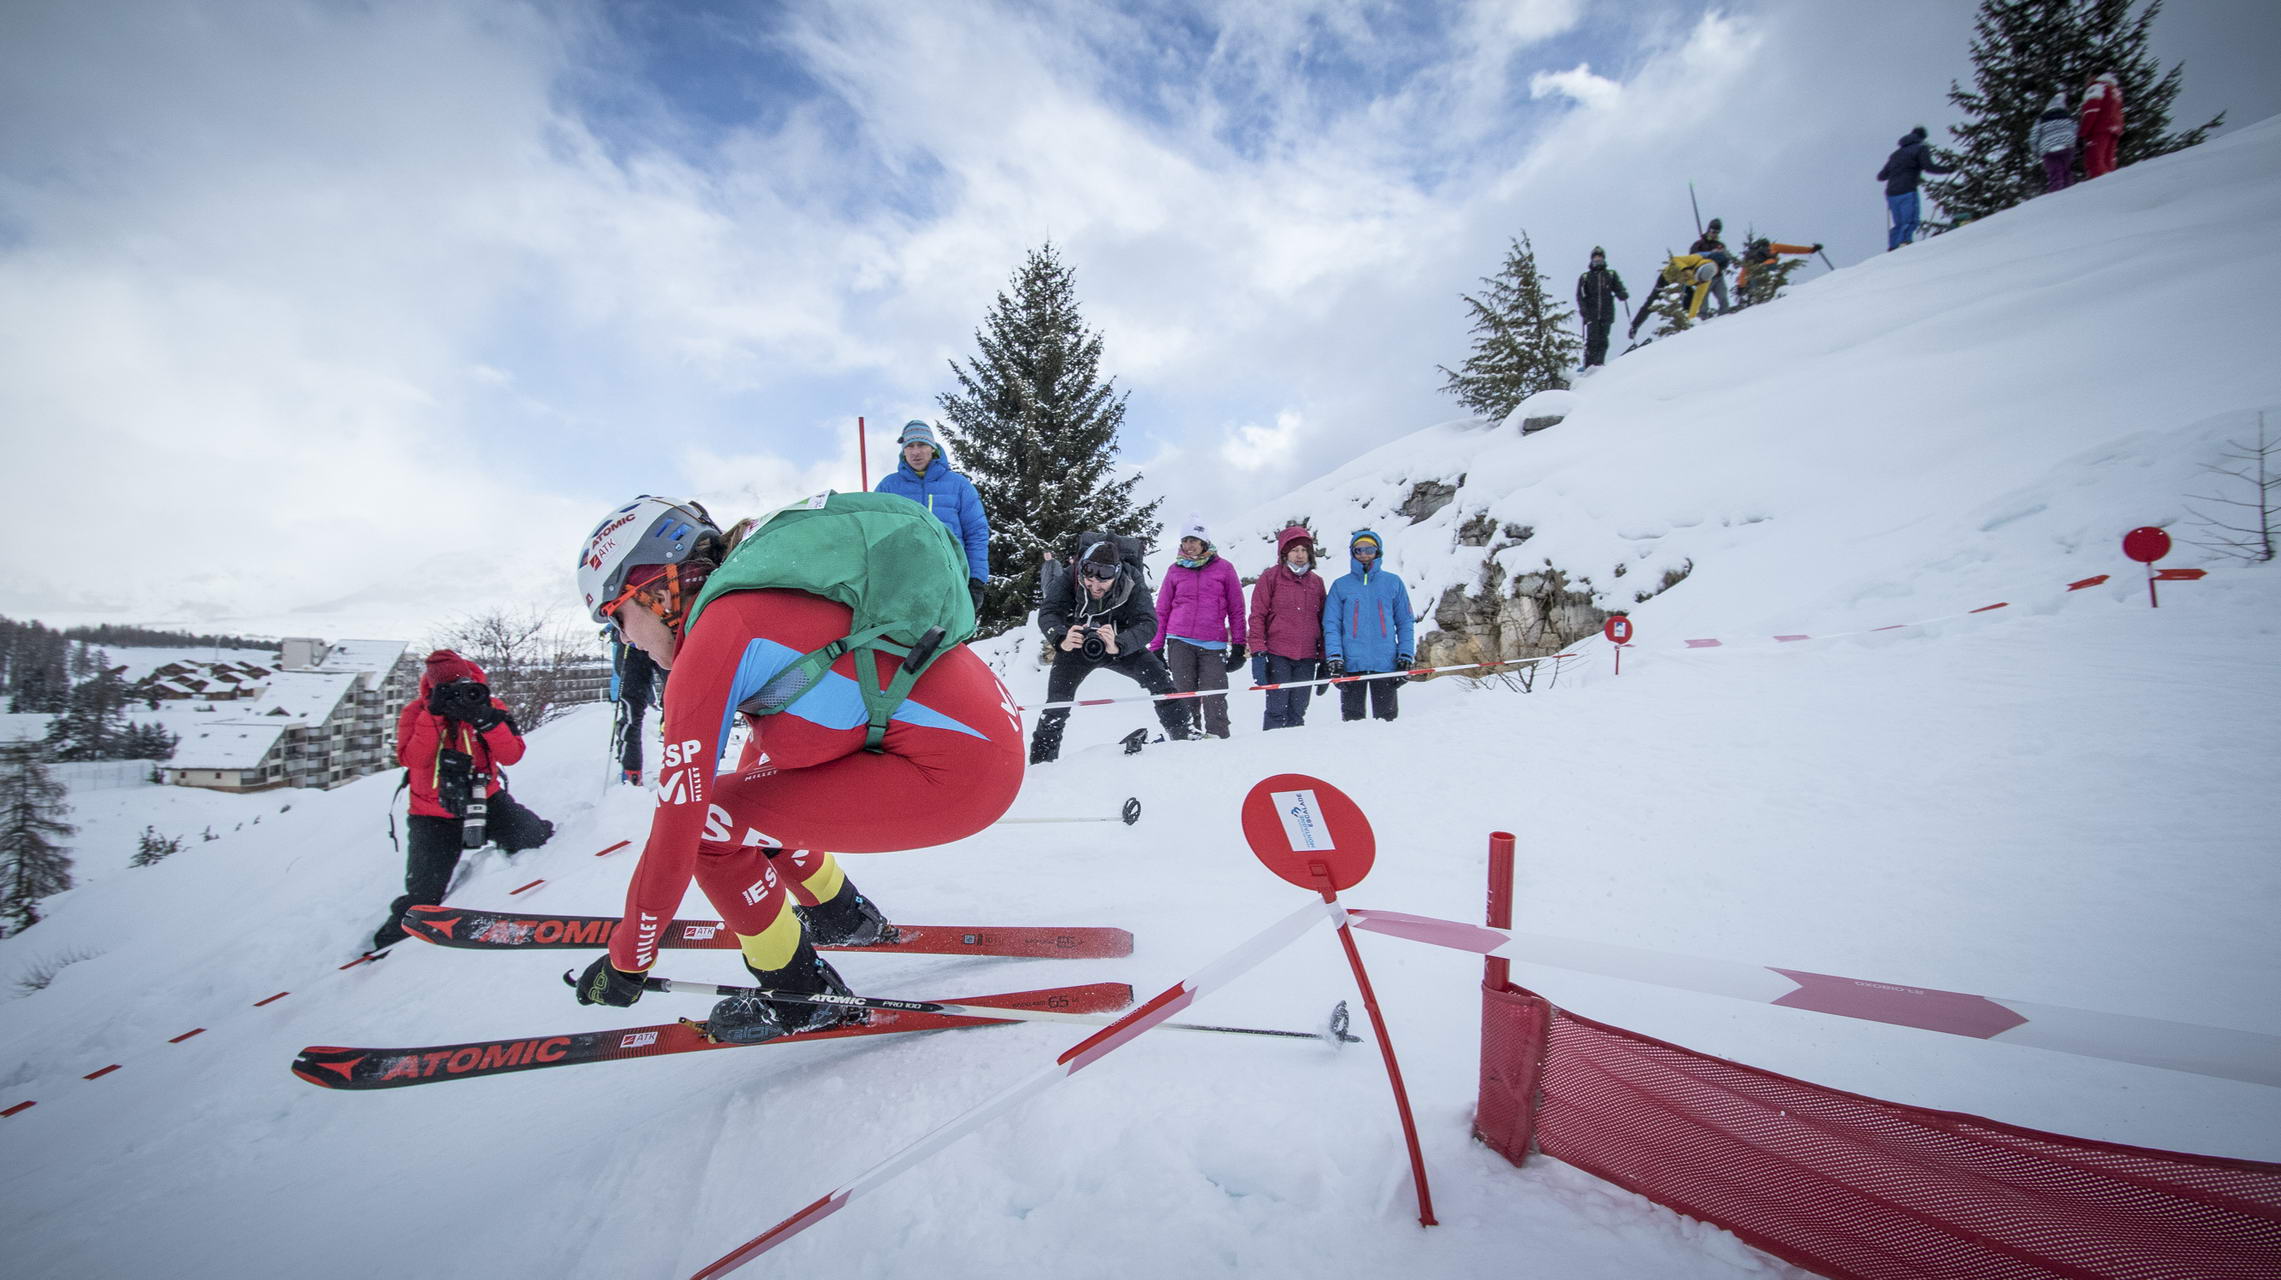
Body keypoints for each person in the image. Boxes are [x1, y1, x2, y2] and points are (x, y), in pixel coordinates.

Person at [568, 496, 1024, 1043]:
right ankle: (840, 916)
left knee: (712, 826)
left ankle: (797, 994)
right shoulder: (761, 597)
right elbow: (771, 763)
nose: (623, 638)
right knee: (747, 806)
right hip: (983, 746)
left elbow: (679, 826)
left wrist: (628, 960)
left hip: (960, 775)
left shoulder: (717, 636)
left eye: (617, 615)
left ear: (655, 589)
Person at [371, 650, 555, 950]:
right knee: (423, 897)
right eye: (447, 689)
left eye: (462, 684)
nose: (457, 693)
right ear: (432, 688)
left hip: (486, 799)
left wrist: (486, 720)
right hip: (432, 813)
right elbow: (412, 759)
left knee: (535, 836)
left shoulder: (487, 704)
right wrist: (435, 717)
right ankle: (387, 949)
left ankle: (500, 883)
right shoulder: (417, 712)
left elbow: (512, 754)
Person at [1030, 535, 1194, 763]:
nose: (1095, 586)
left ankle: (1185, 737)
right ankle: (1040, 763)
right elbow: (1048, 612)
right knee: (1057, 703)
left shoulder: (1132, 579)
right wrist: (1061, 638)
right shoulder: (1072, 575)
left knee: (1160, 681)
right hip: (1076, 645)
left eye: (1103, 582)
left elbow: (1148, 622)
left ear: (1116, 574)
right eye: (1089, 580)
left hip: (1119, 645)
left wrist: (1120, 643)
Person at [874, 419, 991, 614]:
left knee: (945, 638)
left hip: (950, 576)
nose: (916, 452)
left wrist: (976, 580)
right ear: (903, 451)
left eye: (921, 445)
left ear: (933, 449)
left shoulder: (959, 485)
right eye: (910, 446)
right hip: (903, 580)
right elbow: (875, 533)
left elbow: (977, 533)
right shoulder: (888, 487)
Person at [1149, 518, 1247, 740]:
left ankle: (1218, 739)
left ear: (1205, 542)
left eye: (1195, 540)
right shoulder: (1174, 570)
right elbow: (1161, 610)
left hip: (1213, 644)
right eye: (1186, 540)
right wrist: (1156, 646)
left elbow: (1237, 609)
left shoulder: (1224, 569)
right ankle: (1186, 741)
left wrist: (1239, 645)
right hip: (1179, 642)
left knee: (1215, 697)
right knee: (1185, 697)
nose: (1190, 545)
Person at [1322, 531, 1415, 724]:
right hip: (1351, 665)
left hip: (1386, 663)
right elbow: (1331, 625)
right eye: (1359, 549)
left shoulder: (1393, 583)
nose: (1364, 554)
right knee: (1353, 722)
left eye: (1369, 549)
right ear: (1352, 552)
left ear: (1377, 552)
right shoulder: (1340, 586)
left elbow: (1405, 621)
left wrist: (1405, 655)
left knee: (1387, 721)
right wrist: (1335, 658)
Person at [1247, 526, 1327, 732]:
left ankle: (1295, 753)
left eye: (1303, 550)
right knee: (1276, 708)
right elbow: (1257, 616)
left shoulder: (1316, 583)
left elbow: (1324, 621)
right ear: (1284, 553)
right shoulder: (1270, 578)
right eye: (1294, 550)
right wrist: (1257, 652)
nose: (1299, 555)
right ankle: (1272, 752)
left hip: (1307, 657)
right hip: (1278, 654)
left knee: (1298, 710)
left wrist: (1324, 657)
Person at [1877, 126, 1953, 251]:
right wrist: (1948, 169)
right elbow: (1928, 167)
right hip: (1907, 189)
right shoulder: (1920, 148)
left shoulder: (1895, 154)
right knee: (1911, 220)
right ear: (1922, 138)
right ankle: (1904, 244)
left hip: (1891, 193)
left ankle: (1894, 247)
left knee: (1899, 223)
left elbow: (1881, 176)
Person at [1626, 254, 1724, 342]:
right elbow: (1675, 259)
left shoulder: (1705, 281)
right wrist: (1685, 269)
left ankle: (1682, 327)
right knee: (1652, 303)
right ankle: (1634, 326)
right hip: (1667, 278)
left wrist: (1690, 318)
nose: (1697, 281)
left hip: (1681, 285)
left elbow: (1697, 299)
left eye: (1699, 281)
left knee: (1687, 304)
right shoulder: (1695, 259)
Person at [608, 634, 660, 785]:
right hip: (631, 648)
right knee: (631, 713)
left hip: (662, 637)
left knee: (680, 706)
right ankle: (631, 773)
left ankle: (687, 766)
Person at [1574, 247, 1629, 369]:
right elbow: (1580, 295)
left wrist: (1622, 294)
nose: (1598, 260)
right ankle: (1589, 365)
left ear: (1603, 259)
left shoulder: (1610, 274)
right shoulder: (1586, 277)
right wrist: (1583, 309)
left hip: (1606, 312)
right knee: (1592, 340)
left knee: (1603, 339)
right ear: (1592, 260)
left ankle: (1599, 363)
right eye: (1596, 258)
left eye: (1600, 258)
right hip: (1591, 313)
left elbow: (1618, 288)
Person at [1733, 237, 1823, 306]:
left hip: (1755, 274)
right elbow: (1793, 249)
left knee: (1758, 295)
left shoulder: (1750, 256)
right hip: (1770, 266)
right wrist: (1811, 250)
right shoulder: (1772, 246)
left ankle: (1760, 305)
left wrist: (1741, 287)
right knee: (1777, 287)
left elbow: (1744, 272)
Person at [1687, 218, 1734, 317]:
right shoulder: (1699, 244)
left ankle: (1725, 317)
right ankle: (1702, 321)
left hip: (1718, 276)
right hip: (1705, 278)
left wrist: (1724, 256)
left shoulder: (1720, 245)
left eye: (1717, 232)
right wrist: (1709, 254)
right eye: (1713, 231)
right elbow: (1692, 256)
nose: (1714, 234)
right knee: (1703, 301)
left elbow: (1726, 261)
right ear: (1709, 230)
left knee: (1723, 298)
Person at [2079, 73, 2123, 180]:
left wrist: (2083, 132)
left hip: (2098, 130)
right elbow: (2119, 112)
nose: (2086, 82)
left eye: (2088, 79)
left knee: (2095, 162)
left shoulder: (2097, 87)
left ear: (2094, 77)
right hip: (2113, 130)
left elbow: (2091, 111)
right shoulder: (2115, 91)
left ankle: (2099, 190)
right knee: (2108, 162)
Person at [2032, 92, 2076, 193]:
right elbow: (2074, 129)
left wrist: (2035, 151)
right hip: (2067, 146)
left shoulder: (2042, 118)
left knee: (2055, 174)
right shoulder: (2067, 116)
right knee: (2066, 171)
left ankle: (2055, 196)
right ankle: (2070, 192)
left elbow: (2034, 136)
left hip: (2049, 149)